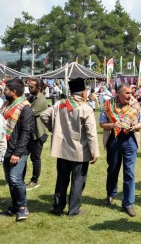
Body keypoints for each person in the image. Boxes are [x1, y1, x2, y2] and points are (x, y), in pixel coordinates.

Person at [40, 78, 100, 216]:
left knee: (62, 178)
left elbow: (43, 115)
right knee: (78, 181)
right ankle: (73, 209)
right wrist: (94, 152)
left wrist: (54, 129)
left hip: (62, 148)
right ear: (84, 93)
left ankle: (58, 207)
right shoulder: (85, 108)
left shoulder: (60, 104)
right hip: (79, 150)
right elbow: (91, 133)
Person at [99, 83, 141, 217]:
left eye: (131, 93)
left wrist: (135, 126)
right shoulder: (108, 105)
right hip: (114, 140)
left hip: (130, 140)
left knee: (129, 172)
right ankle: (111, 194)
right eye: (127, 93)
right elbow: (101, 123)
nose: (130, 95)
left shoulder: (135, 105)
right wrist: (113, 125)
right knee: (113, 169)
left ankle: (128, 204)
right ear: (118, 93)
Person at [1, 78, 34, 221]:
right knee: (9, 179)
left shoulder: (25, 108)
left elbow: (26, 133)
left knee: (15, 179)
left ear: (13, 92)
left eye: (6, 90)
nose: (4, 91)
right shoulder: (6, 105)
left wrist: (17, 153)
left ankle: (22, 207)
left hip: (17, 150)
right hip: (5, 148)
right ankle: (14, 205)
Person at [23, 78, 49, 190]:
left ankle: (34, 181)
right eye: (29, 86)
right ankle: (19, 179)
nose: (29, 88)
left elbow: (28, 113)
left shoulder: (41, 100)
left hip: (38, 133)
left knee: (35, 158)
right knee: (22, 156)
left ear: (38, 88)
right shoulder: (30, 97)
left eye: (31, 87)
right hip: (29, 132)